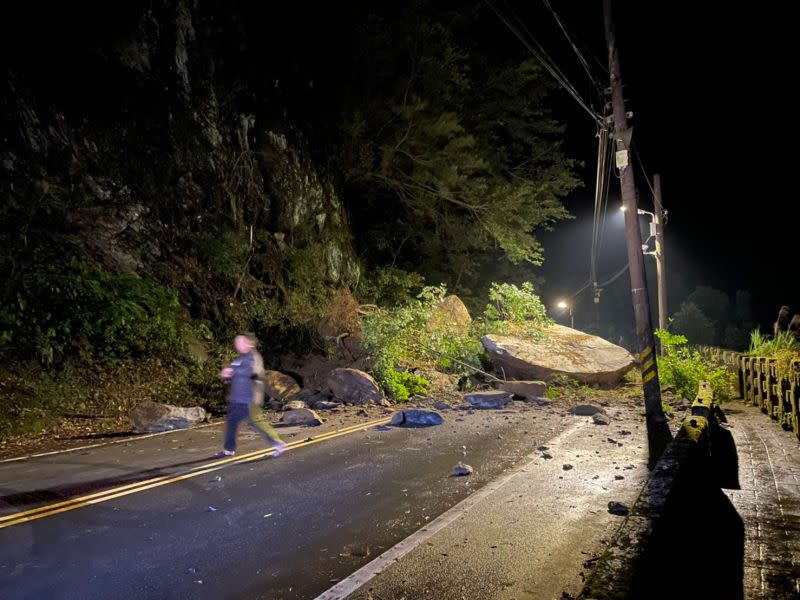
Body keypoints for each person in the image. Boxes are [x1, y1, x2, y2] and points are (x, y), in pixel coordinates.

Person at [217, 333, 287, 457]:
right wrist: (227, 374)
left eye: (241, 342)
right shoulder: (240, 359)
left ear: (250, 343)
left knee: (258, 423)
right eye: (237, 342)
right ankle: (228, 449)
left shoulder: (254, 357)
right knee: (231, 423)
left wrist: (233, 371)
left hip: (249, 399)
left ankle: (278, 443)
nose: (238, 344)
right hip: (236, 399)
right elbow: (233, 373)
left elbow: (253, 373)